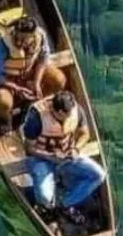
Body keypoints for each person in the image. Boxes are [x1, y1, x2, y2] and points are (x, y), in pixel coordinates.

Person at [23, 90, 106, 225]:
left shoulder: (75, 109)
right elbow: (29, 148)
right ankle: (46, 208)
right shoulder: (36, 117)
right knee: (44, 197)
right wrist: (51, 157)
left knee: (99, 175)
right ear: (59, 112)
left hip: (67, 155)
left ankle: (65, 204)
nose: (72, 115)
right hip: (42, 159)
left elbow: (85, 134)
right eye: (68, 114)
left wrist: (76, 149)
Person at [0, 16, 66, 134]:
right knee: (4, 102)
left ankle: (30, 104)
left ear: (33, 36)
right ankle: (6, 121)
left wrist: (36, 82)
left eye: (24, 40)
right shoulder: (2, 43)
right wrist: (16, 88)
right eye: (17, 37)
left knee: (59, 79)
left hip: (29, 72)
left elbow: (43, 58)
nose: (19, 42)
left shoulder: (40, 36)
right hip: (8, 78)